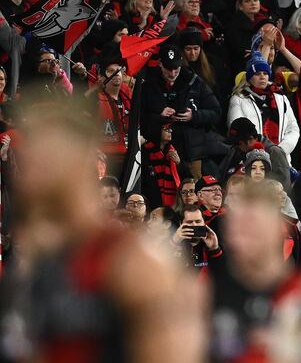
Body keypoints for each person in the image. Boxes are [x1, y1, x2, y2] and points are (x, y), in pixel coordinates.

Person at [7, 103, 202, 361]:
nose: (34, 175)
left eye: (48, 159)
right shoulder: (33, 258)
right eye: (31, 160)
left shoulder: (136, 261)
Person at [206, 180, 301, 361]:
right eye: (235, 229)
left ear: (276, 229)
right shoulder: (208, 296)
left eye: (251, 227)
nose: (240, 239)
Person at [141, 43, 221, 178]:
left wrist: (194, 116)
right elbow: (139, 116)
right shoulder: (148, 83)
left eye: (176, 68)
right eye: (168, 68)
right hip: (159, 151)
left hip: (191, 153)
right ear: (160, 64)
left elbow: (216, 112)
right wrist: (159, 115)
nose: (172, 73)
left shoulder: (194, 81)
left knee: (192, 191)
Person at [227, 52, 299, 163]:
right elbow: (237, 130)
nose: (262, 77)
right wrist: (258, 152)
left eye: (265, 73)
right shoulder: (239, 98)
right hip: (252, 161)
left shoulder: (280, 97)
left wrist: (280, 151)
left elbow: (293, 128)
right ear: (250, 77)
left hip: (281, 159)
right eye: (257, 74)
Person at [171, 202, 221, 271]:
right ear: (181, 223)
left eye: (198, 221)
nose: (194, 225)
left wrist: (215, 249)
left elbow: (223, 272)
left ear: (204, 223)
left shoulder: (215, 242)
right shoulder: (172, 242)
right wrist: (174, 243)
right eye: (189, 222)